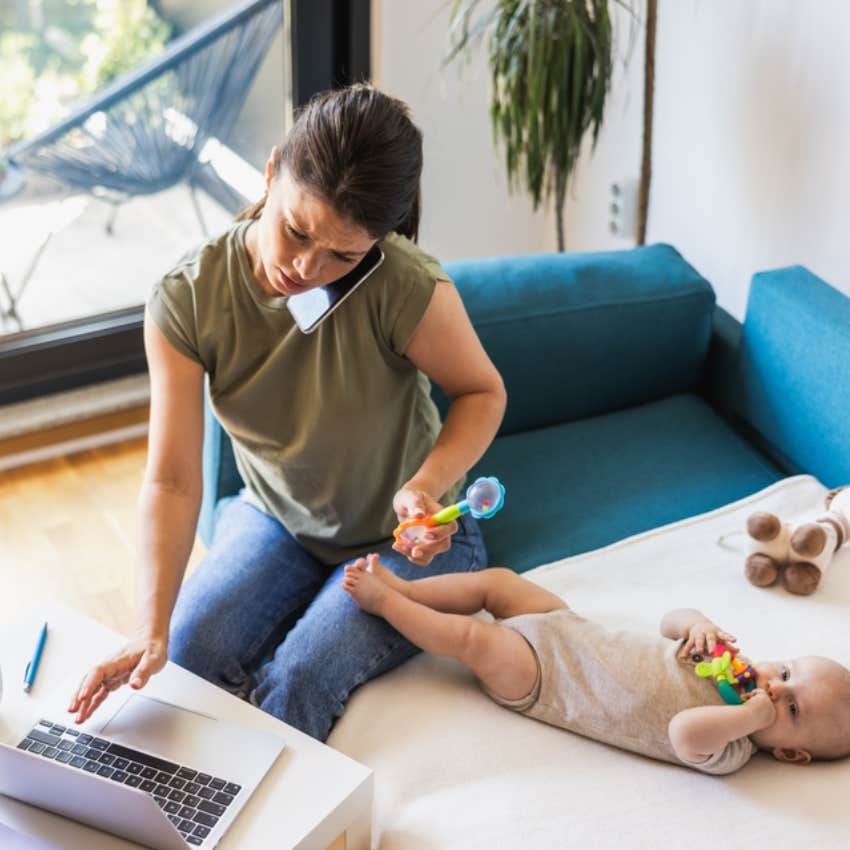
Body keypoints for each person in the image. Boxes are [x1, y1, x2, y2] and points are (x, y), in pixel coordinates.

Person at [67, 84, 506, 741]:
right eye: (296, 231)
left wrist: (424, 486)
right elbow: (173, 480)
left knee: (300, 676)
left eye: (343, 255)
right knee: (186, 652)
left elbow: (482, 391)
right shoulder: (188, 301)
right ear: (272, 173)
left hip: (405, 537)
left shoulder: (403, 286)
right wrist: (147, 628)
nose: (306, 267)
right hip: (278, 517)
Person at [342, 555, 850, 774]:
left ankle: (386, 604)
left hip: (545, 679)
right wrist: (697, 623)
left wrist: (750, 717)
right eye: (784, 673)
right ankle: (408, 588)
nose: (773, 689)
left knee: (474, 638)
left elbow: (683, 732)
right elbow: (669, 622)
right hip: (565, 626)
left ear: (790, 754)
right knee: (497, 582)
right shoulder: (723, 658)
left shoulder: (732, 747)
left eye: (791, 710)